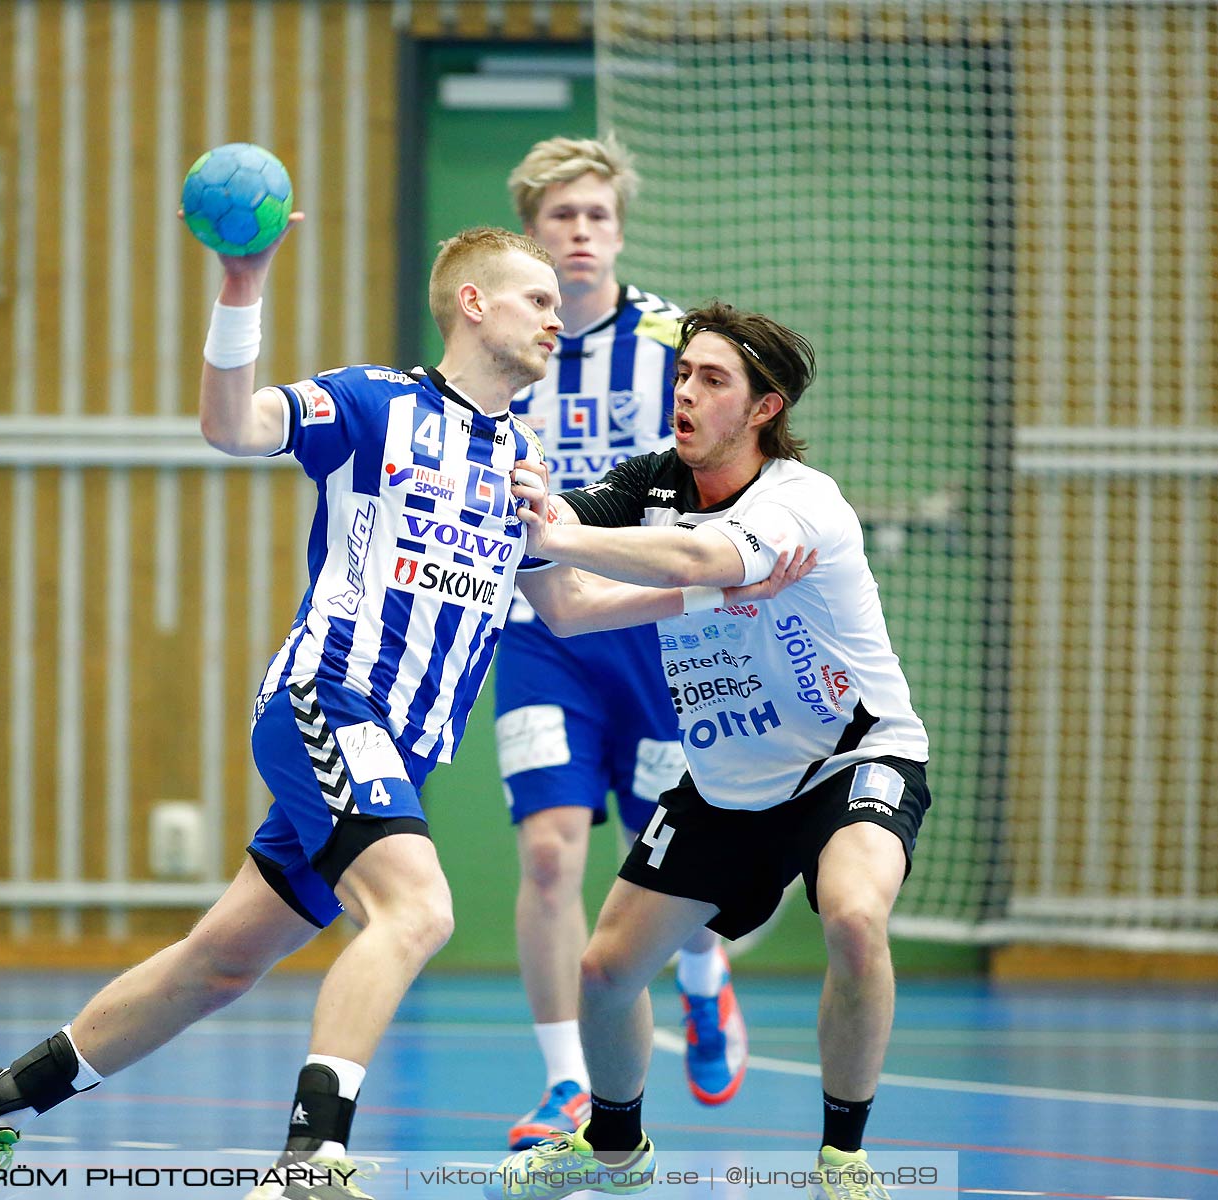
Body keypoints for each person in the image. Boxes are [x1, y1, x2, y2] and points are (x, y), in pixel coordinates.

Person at [0, 227, 810, 1200]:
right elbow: (232, 425)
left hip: (404, 750)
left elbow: (565, 608)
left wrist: (711, 591)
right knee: (419, 909)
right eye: (537, 300)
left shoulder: (525, 457)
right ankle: (310, 1162)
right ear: (473, 304)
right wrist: (243, 284)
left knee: (218, 964)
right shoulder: (372, 404)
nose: (560, 316)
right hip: (328, 701)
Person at [488, 300, 931, 1200]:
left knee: (852, 916)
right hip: (729, 780)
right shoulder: (652, 483)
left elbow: (696, 565)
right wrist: (522, 503)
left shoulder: (802, 502)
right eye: (682, 374)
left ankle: (843, 1158)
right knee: (606, 972)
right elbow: (567, 606)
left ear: (764, 408)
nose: (685, 392)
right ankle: (614, 1152)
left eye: (713, 380)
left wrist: (557, 535)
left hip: (850, 761)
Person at [493, 134, 748, 1153]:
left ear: (620, 228)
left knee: (671, 855)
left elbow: (734, 455)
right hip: (540, 630)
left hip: (653, 633)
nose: (582, 232)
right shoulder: (506, 344)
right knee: (552, 855)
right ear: (532, 232)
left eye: (598, 215)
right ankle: (565, 1084)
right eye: (563, 216)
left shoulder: (674, 341)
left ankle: (701, 974)